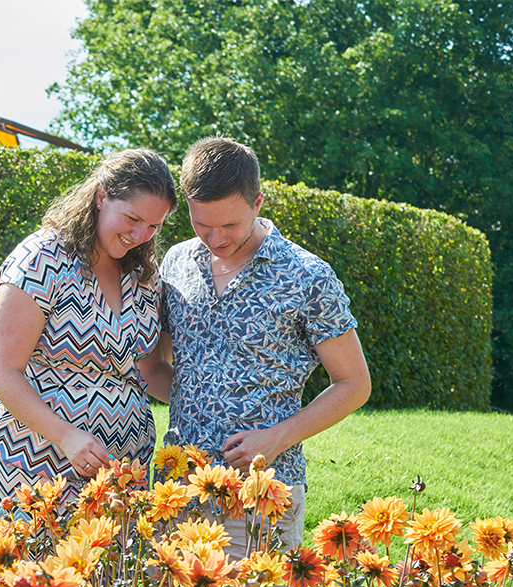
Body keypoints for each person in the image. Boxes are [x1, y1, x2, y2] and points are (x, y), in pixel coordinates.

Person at [144, 137, 371, 558]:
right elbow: (164, 367)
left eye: (229, 225)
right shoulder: (175, 261)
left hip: (263, 491)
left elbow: (354, 383)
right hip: (178, 488)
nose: (214, 238)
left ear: (258, 202)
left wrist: (277, 437)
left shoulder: (307, 275)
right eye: (201, 223)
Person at [0, 149, 177, 520]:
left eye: (153, 226)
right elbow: (3, 374)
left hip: (121, 469)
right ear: (101, 197)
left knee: (115, 560)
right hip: (37, 457)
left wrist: (211, 404)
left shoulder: (144, 276)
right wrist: (66, 435)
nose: (140, 235)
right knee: (37, 556)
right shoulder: (41, 259)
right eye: (132, 218)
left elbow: (149, 372)